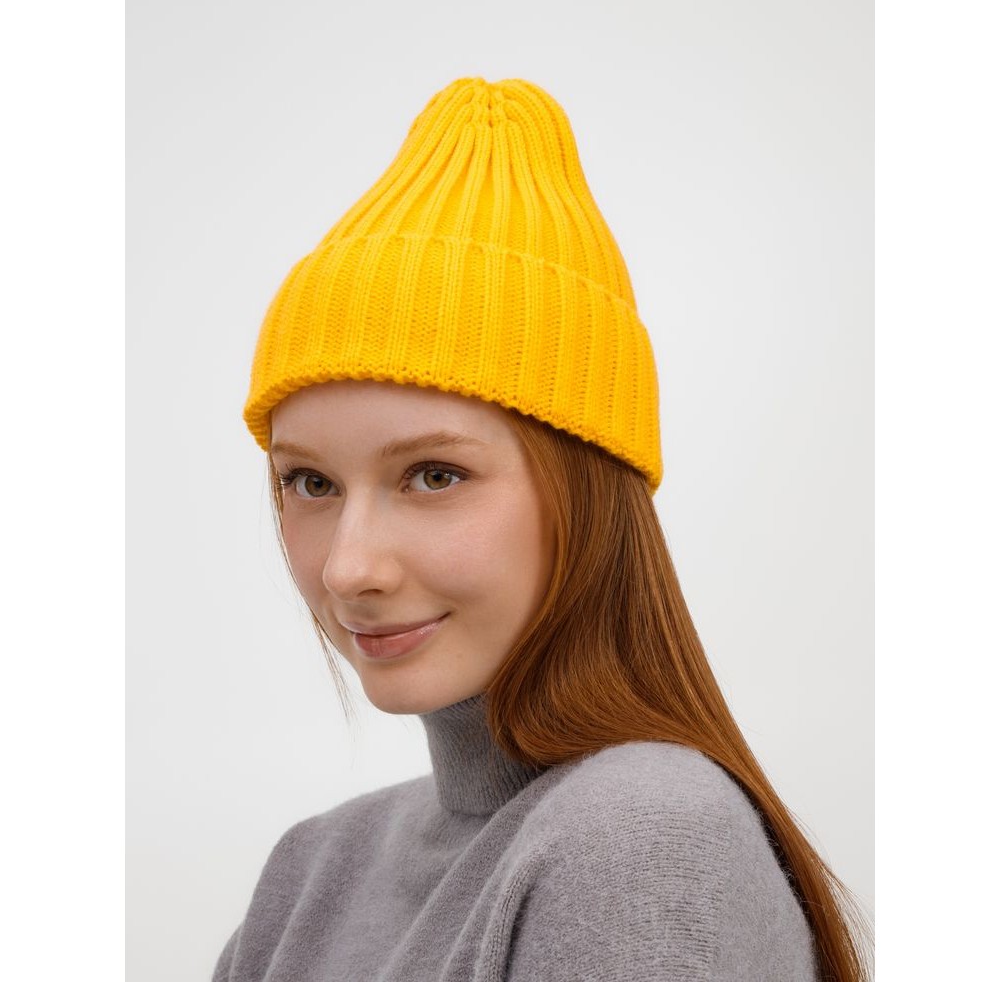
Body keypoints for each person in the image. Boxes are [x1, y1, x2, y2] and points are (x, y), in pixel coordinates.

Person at [213, 76, 871, 981]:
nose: (348, 568)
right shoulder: (312, 871)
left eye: (434, 475)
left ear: (588, 496)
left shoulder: (640, 836)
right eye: (310, 482)